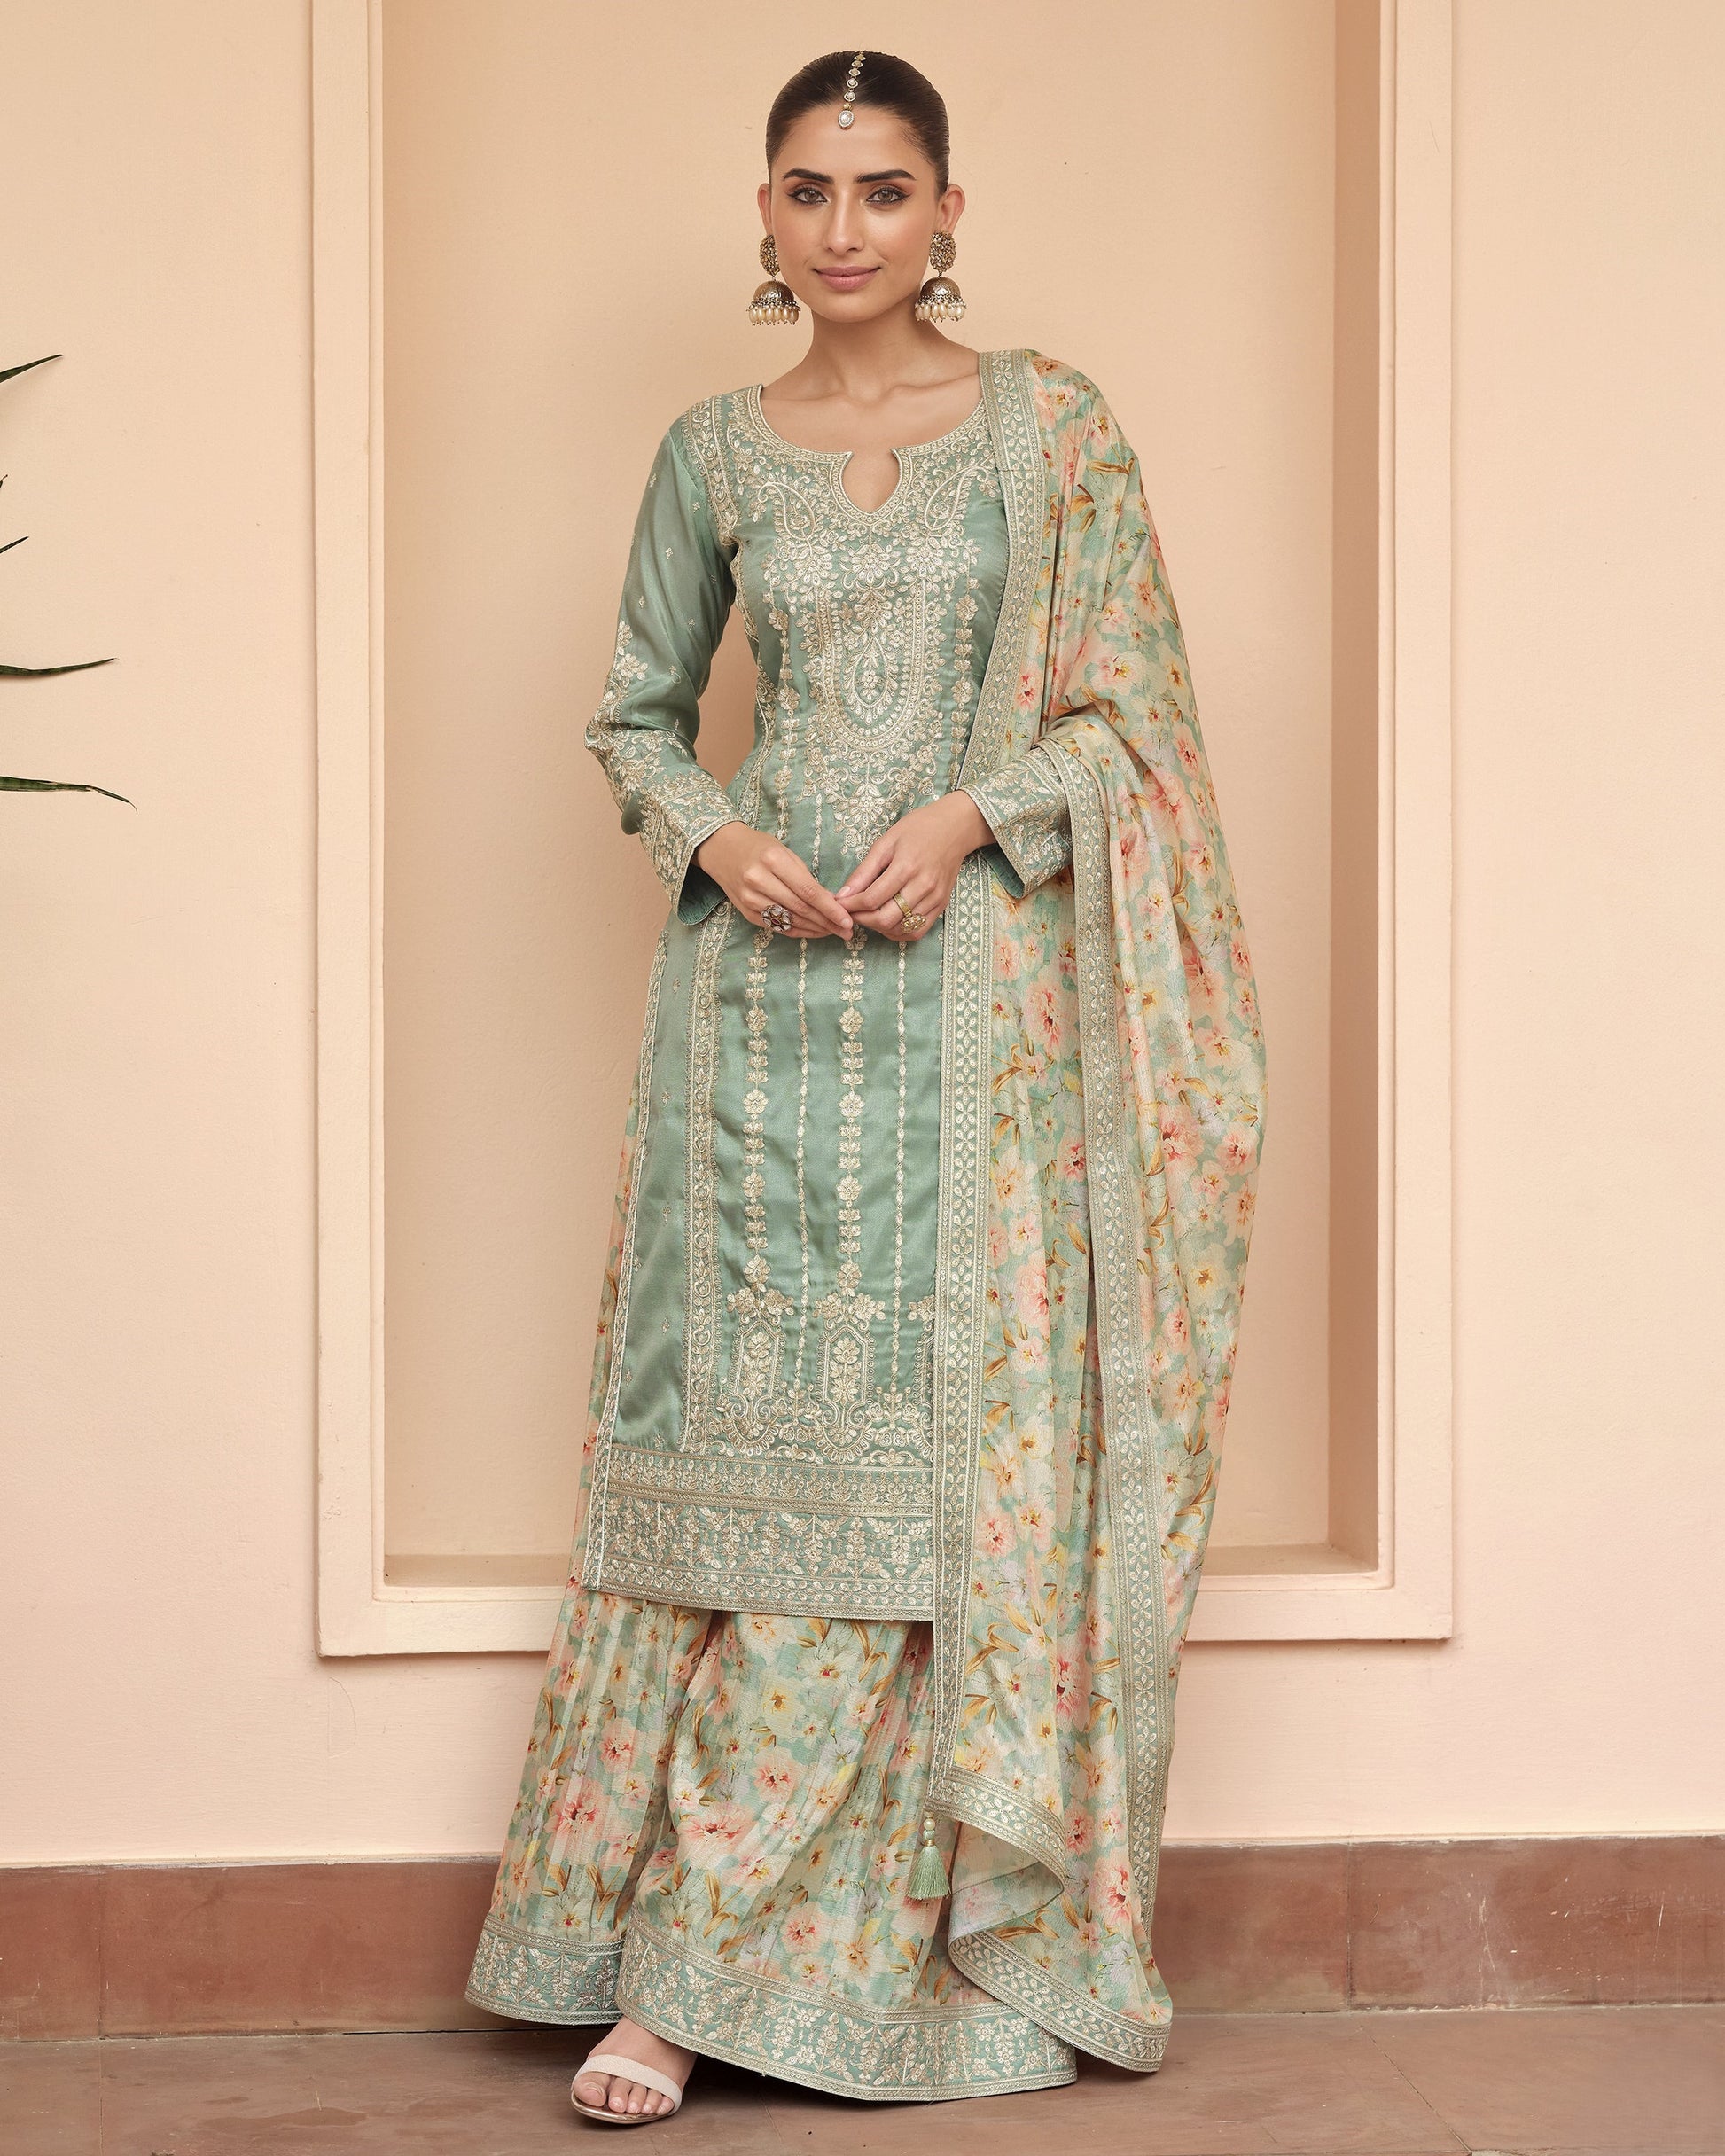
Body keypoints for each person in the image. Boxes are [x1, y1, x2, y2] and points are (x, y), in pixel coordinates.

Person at [464, 46, 1268, 2123]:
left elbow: (1138, 719)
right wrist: (713, 831)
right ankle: (654, 1958)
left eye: (883, 192)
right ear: (762, 217)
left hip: (980, 1025)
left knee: (930, 1487)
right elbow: (635, 712)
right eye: (807, 193)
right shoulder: (713, 451)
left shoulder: (1050, 429)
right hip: (752, 1023)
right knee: (741, 1481)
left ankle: (734, 1970)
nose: (844, 231)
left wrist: (981, 812)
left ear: (947, 213)